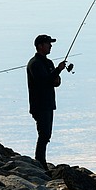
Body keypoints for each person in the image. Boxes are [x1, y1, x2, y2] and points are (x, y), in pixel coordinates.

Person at [26, 34, 71, 166]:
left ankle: (41, 160)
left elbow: (55, 82)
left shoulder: (48, 62)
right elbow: (44, 82)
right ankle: (40, 161)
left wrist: (57, 76)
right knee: (44, 133)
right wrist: (58, 70)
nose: (50, 46)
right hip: (39, 104)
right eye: (48, 43)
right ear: (40, 46)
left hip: (49, 103)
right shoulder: (34, 64)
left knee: (47, 133)